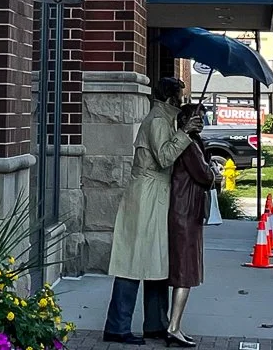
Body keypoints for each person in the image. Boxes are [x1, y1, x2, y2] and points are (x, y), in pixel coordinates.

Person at [104, 77, 202, 345]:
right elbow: (165, 157)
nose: (182, 100)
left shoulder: (164, 118)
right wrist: (185, 133)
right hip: (147, 194)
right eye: (180, 95)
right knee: (134, 261)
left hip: (155, 194)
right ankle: (118, 325)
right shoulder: (158, 120)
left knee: (157, 261)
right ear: (171, 97)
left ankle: (156, 323)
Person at [165, 104, 217, 347]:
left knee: (184, 271)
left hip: (185, 211)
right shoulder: (188, 145)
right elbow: (205, 176)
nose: (202, 121)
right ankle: (173, 327)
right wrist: (213, 174)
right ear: (185, 121)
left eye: (203, 117)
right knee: (185, 272)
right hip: (185, 213)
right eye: (197, 117)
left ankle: (174, 324)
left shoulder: (191, 143)